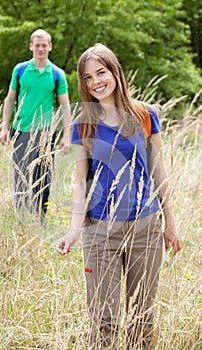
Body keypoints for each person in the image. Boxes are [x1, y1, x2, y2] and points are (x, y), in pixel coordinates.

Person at [56, 43, 181, 349]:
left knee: (142, 316)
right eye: (88, 77)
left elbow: (158, 171)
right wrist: (74, 229)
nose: (96, 81)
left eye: (101, 72)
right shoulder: (83, 122)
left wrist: (170, 223)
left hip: (145, 229)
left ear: (115, 72)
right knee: (104, 319)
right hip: (100, 231)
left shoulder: (145, 114)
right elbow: (79, 180)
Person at [0, 29, 71, 215]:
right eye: (37, 45)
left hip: (46, 133)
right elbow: (9, 99)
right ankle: (22, 216)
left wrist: (67, 135)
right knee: (20, 174)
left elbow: (65, 105)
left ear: (50, 47)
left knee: (43, 177)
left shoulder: (57, 74)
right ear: (31, 46)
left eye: (44, 45)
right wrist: (4, 128)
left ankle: (40, 217)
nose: (41, 49)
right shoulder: (20, 70)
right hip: (21, 129)